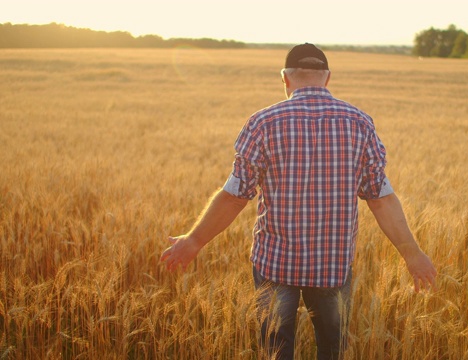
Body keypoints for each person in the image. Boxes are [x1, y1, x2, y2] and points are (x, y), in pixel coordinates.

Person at [160, 43, 437, 360]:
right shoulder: (360, 124)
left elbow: (235, 196)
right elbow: (381, 198)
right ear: (327, 78)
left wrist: (194, 240)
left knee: (276, 352)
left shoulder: (263, 123)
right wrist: (412, 254)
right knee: (331, 351)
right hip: (332, 267)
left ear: (285, 79)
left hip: (275, 265)